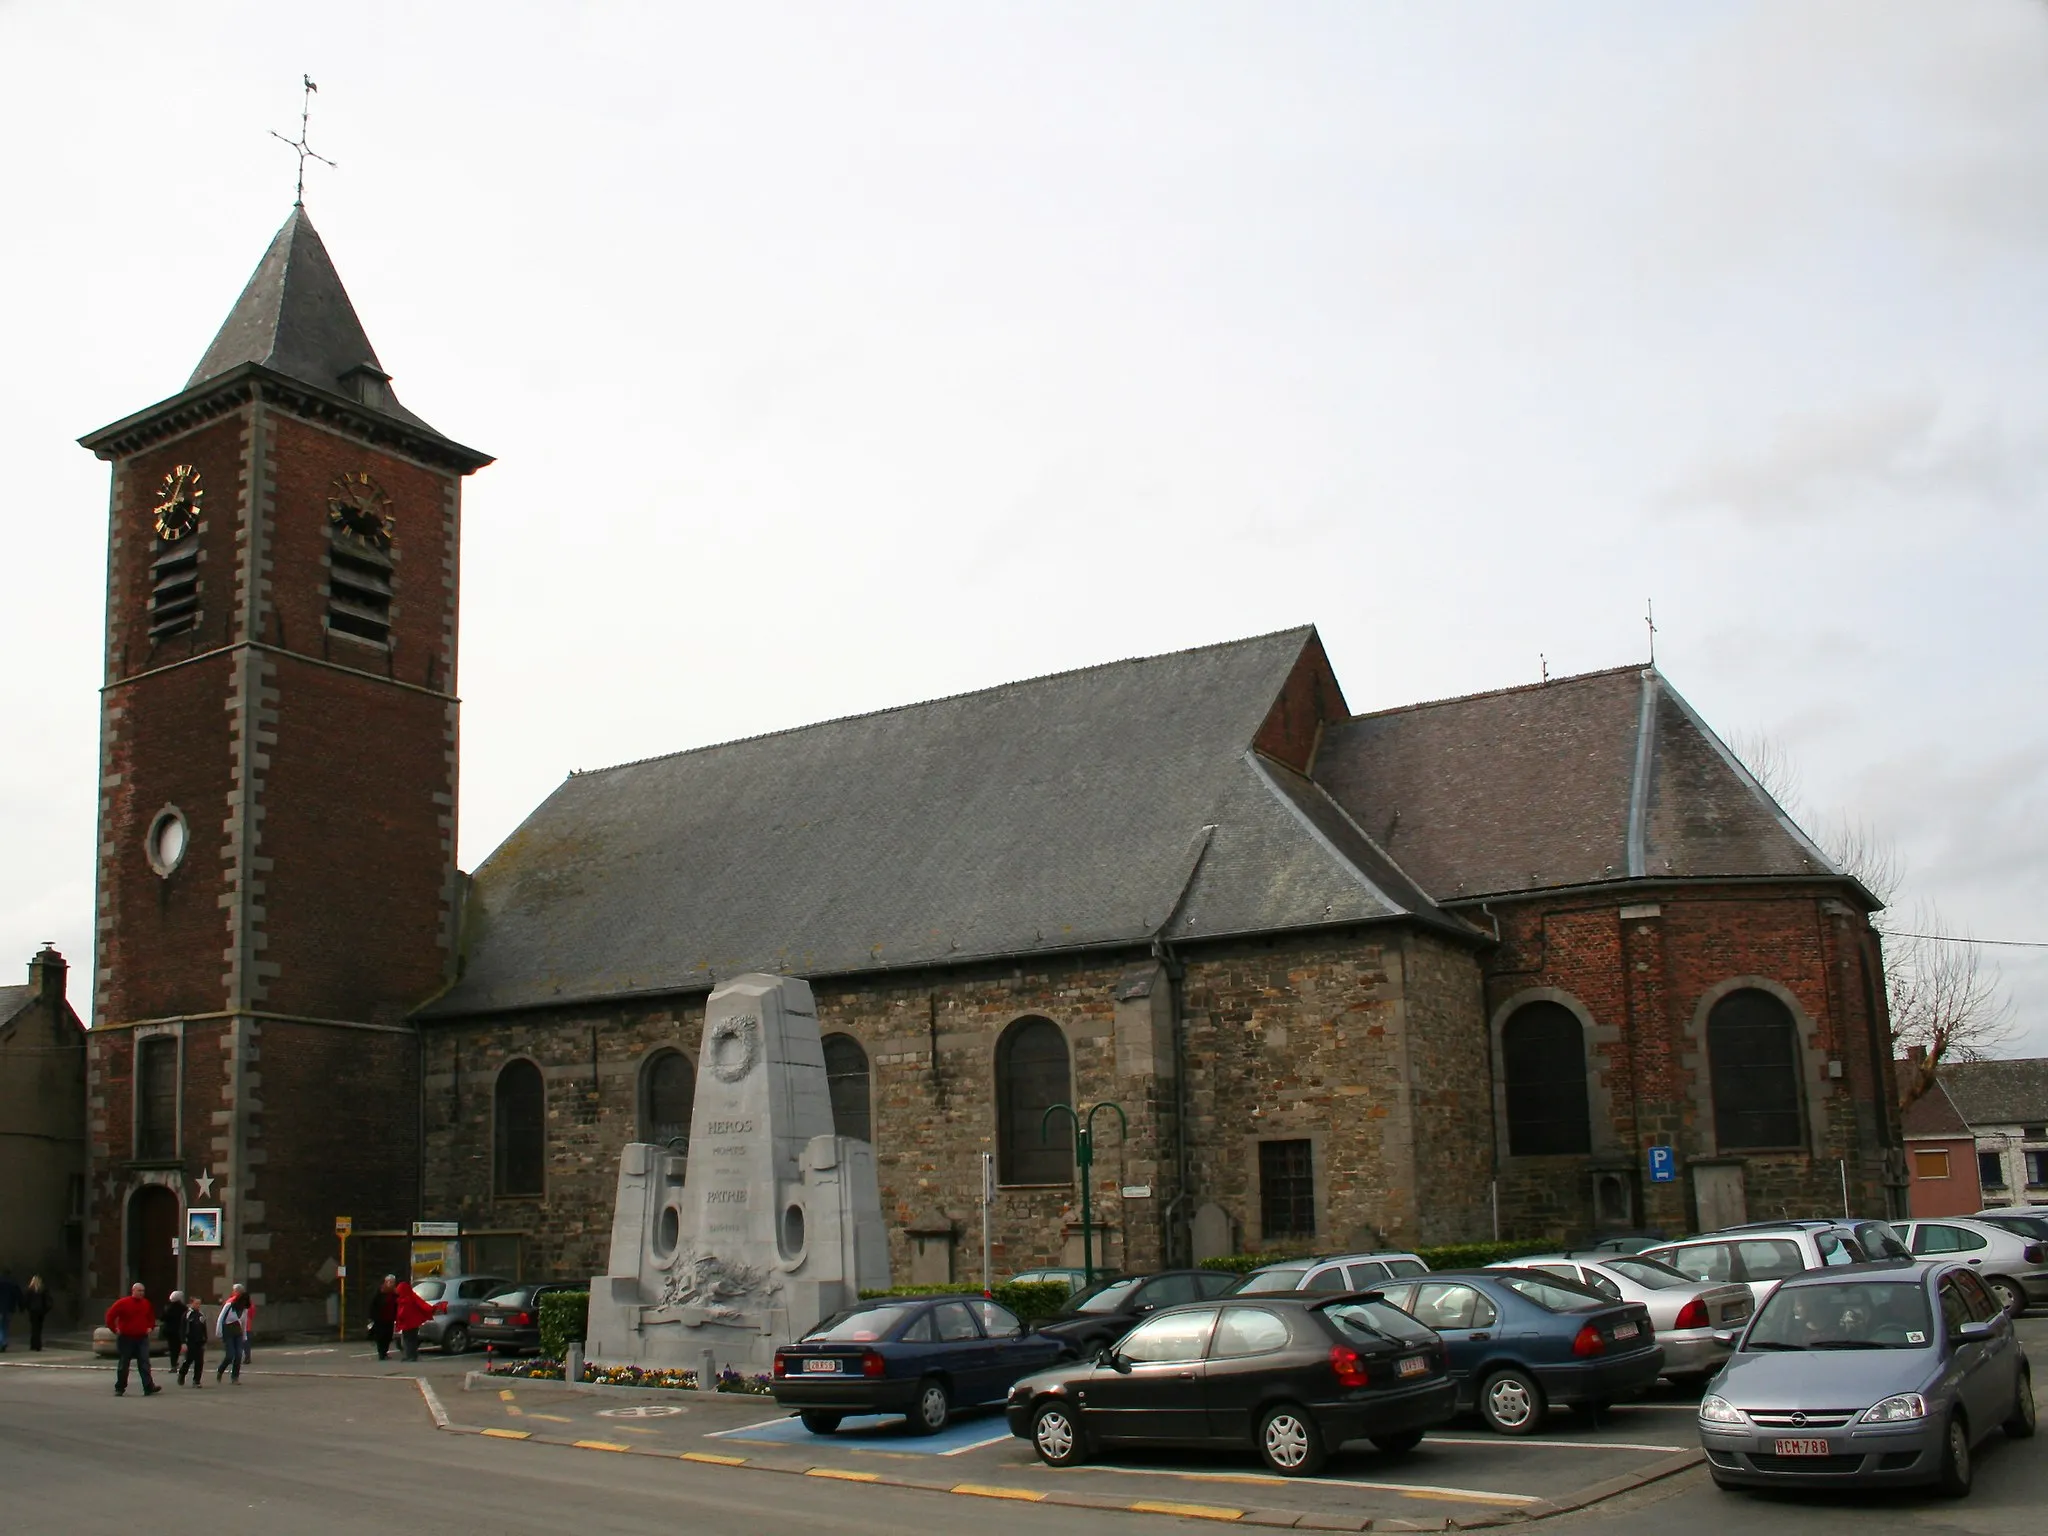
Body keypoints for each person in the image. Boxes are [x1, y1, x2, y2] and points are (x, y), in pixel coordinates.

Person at [106, 1283, 161, 1397]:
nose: (141, 1293)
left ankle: (148, 1387)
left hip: (141, 1337)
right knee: (124, 1364)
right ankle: (120, 1388)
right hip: (126, 1337)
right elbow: (110, 1316)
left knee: (144, 1363)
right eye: (139, 1291)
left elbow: (151, 1317)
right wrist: (114, 1329)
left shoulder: (146, 1303)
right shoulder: (123, 1303)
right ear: (133, 1291)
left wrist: (150, 1327)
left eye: (143, 1291)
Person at [214, 1287, 251, 1384]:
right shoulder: (229, 1306)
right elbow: (221, 1319)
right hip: (227, 1330)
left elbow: (244, 1323)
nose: (243, 1305)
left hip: (237, 1330)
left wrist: (244, 1336)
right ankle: (220, 1370)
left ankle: (235, 1377)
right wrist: (219, 1332)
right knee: (230, 1355)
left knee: (239, 1354)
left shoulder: (244, 1310)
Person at [393, 1276, 433, 1362]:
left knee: (408, 1341)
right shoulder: (411, 1297)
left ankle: (410, 1356)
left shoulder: (404, 1300)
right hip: (413, 1324)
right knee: (412, 1340)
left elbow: (402, 1313)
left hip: (408, 1324)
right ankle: (412, 1355)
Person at [175, 1298, 208, 1387]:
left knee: (199, 1362)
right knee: (188, 1360)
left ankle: (196, 1381)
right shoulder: (187, 1315)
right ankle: (182, 1374)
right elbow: (182, 1329)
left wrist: (205, 1340)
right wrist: (183, 1342)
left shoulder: (201, 1315)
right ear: (191, 1304)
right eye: (196, 1303)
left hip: (199, 1342)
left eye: (199, 1304)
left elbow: (204, 1328)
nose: (198, 1305)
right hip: (190, 1341)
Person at [158, 1290, 189, 1378]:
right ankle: (183, 1362)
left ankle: (173, 1365)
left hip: (170, 1331)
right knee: (180, 1346)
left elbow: (162, 1318)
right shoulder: (184, 1308)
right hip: (179, 1330)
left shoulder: (168, 1307)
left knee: (172, 1348)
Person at [369, 1275, 399, 1361]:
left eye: (392, 1282)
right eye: (388, 1282)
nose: (390, 1284)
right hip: (380, 1318)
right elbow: (373, 1304)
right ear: (385, 1282)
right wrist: (372, 1316)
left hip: (390, 1318)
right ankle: (381, 1353)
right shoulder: (380, 1292)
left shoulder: (395, 1293)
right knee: (380, 1336)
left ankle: (385, 1352)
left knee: (388, 1336)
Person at [23, 1276, 52, 1351]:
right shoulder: (43, 1290)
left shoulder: (30, 1290)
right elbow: (47, 1301)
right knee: (39, 1328)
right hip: (41, 1311)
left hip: (33, 1310)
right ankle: (38, 1345)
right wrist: (45, 1310)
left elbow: (26, 1301)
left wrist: (27, 1308)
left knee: (33, 1327)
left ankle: (33, 1344)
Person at [0, 1270, 20, 1352]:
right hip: (9, 1309)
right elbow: (18, 1296)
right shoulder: (13, 1284)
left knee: (0, 1326)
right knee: (5, 1326)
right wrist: (21, 1307)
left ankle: (2, 1341)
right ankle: (3, 1341)